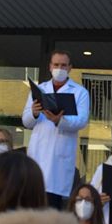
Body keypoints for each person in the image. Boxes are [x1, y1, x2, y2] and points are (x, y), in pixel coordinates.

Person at [21, 49, 90, 208]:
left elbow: (81, 121)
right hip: (38, 156)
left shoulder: (80, 92)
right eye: (56, 64)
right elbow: (26, 121)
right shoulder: (39, 90)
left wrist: (60, 121)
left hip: (59, 162)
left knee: (52, 209)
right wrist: (34, 112)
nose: (60, 68)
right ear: (50, 67)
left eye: (64, 65)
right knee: (32, 209)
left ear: (70, 67)